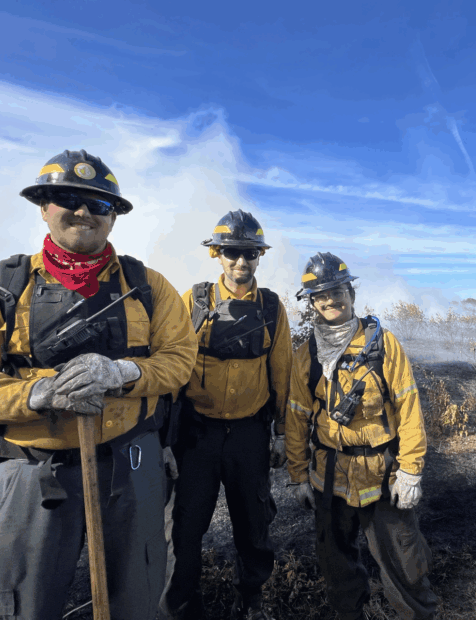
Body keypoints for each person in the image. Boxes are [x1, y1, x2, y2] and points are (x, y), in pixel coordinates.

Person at [0, 149, 198, 620]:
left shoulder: (150, 287)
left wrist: (126, 373)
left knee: (137, 598)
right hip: (32, 470)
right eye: (68, 198)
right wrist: (36, 393)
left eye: (100, 205)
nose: (84, 212)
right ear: (44, 206)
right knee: (20, 604)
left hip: (132, 463)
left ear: (114, 217)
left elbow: (178, 359)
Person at [285, 252, 438, 620]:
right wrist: (298, 476)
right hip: (329, 476)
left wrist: (411, 470)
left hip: (382, 475)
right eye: (319, 295)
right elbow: (297, 417)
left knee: (405, 561)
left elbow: (409, 410)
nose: (329, 300)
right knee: (336, 564)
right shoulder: (306, 355)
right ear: (311, 303)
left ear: (350, 292)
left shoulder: (384, 346)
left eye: (336, 291)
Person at [159, 210, 292, 620]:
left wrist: (283, 433)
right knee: (184, 527)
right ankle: (181, 608)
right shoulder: (194, 301)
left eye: (250, 253)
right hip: (197, 436)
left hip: (250, 435)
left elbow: (282, 373)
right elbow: (173, 370)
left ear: (259, 256)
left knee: (254, 526)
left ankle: (251, 601)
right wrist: (163, 440)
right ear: (217, 253)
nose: (241, 262)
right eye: (233, 252)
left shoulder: (271, 308)